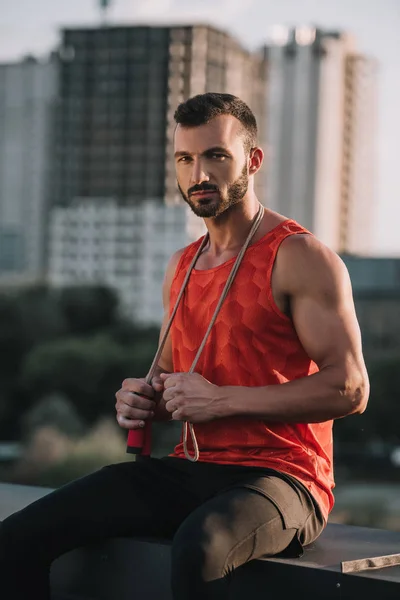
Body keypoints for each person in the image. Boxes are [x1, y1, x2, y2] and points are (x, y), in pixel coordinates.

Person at [0, 93, 369, 599]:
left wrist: (221, 400)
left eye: (216, 155)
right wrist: (141, 398)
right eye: (185, 158)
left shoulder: (299, 256)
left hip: (285, 475)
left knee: (200, 546)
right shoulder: (182, 265)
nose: (199, 173)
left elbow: (350, 387)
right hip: (192, 465)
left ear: (252, 160)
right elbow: (174, 377)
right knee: (17, 537)